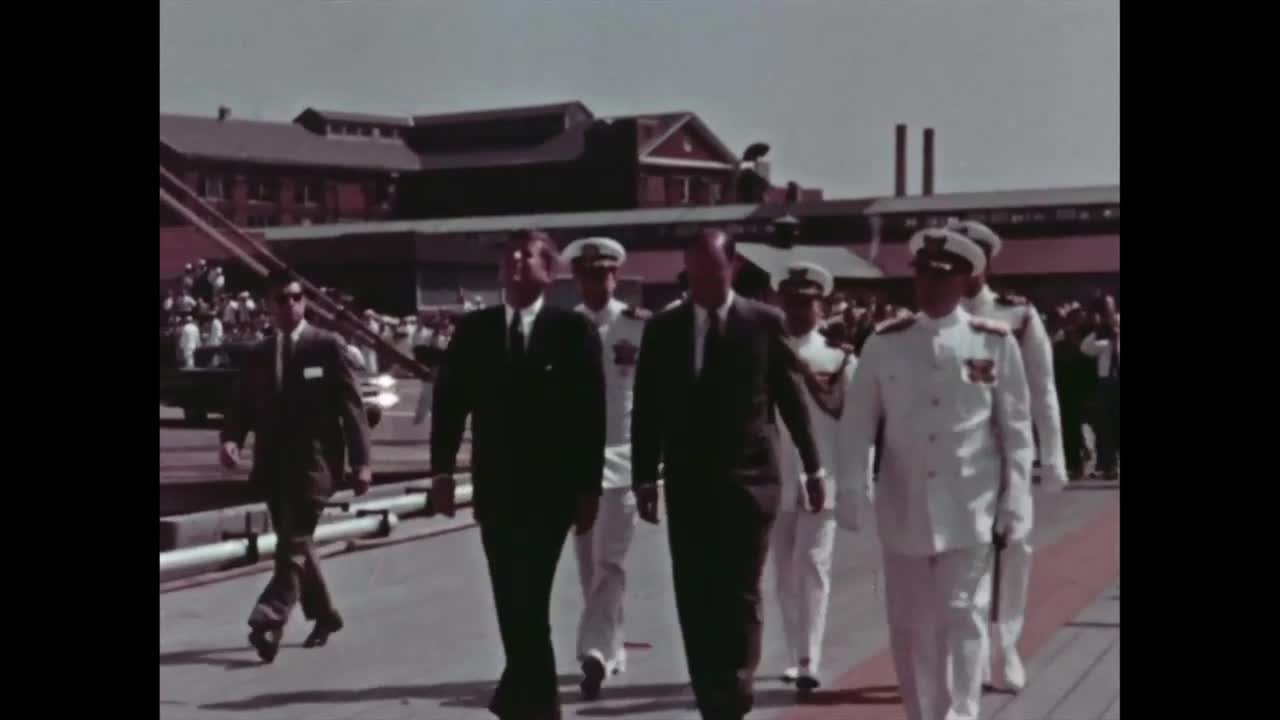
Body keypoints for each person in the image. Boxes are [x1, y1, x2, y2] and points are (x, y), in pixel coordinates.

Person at [835, 227, 1035, 720]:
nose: (929, 285)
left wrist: (1016, 498)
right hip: (903, 508)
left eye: (942, 277)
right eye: (922, 274)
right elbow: (858, 422)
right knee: (909, 625)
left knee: (962, 616)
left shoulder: (994, 342)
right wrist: (851, 488)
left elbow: (1014, 427)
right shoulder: (885, 344)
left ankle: (961, 714)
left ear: (965, 279)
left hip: (970, 505)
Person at [631, 227, 825, 720]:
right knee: (695, 593)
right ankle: (709, 698)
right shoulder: (664, 329)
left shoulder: (764, 323)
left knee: (739, 593)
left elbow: (791, 399)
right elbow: (647, 408)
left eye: (711, 272)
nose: (701, 284)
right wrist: (644, 477)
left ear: (732, 267)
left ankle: (735, 694)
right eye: (692, 275)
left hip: (750, 483)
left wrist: (814, 464)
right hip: (688, 483)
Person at [429, 229, 606, 720]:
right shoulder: (476, 331)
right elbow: (449, 403)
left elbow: (591, 414)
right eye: (508, 255)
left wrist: (588, 487)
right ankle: (517, 698)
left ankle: (538, 707)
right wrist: (441, 471)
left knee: (530, 598)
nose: (514, 262)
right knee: (510, 599)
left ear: (549, 271)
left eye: (526, 255)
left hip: (550, 494)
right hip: (496, 490)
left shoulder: (571, 332)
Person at [218, 270, 373, 663]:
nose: (289, 305)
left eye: (295, 297)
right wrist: (232, 439)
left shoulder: (327, 346)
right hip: (272, 465)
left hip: (315, 465)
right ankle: (324, 615)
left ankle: (268, 620)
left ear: (303, 301)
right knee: (298, 544)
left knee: (291, 545)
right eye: (280, 299)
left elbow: (351, 408)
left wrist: (362, 462)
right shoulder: (258, 355)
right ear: (268, 306)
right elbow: (241, 406)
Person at [950, 218, 1065, 692]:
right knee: (966, 558)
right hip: (963, 460)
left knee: (1014, 551)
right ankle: (972, 656)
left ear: (986, 262)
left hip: (1011, 456)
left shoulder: (1017, 316)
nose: (962, 268)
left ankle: (1008, 648)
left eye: (970, 258)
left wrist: (1053, 455)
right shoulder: (938, 317)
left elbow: (1043, 389)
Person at [556, 236, 649, 700]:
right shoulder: (560, 328)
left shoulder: (637, 328)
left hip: (624, 462)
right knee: (588, 564)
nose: (599, 282)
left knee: (610, 562)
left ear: (616, 276)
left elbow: (654, 400)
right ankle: (611, 645)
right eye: (590, 275)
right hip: (576, 467)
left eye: (606, 274)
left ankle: (591, 651)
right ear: (576, 278)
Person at [769, 261, 857, 693]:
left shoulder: (838, 359)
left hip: (824, 476)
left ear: (821, 306)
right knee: (784, 571)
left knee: (812, 566)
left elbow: (858, 425)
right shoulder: (766, 351)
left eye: (806, 303)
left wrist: (859, 481)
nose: (799, 311)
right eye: (791, 302)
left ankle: (809, 658)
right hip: (775, 478)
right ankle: (792, 652)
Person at [1080, 295, 1120, 480]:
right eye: (1104, 308)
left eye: (1109, 307)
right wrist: (1101, 333)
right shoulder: (1101, 333)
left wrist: (1116, 335)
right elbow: (1085, 348)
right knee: (1105, 426)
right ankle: (1110, 465)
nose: (1107, 311)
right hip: (1106, 383)